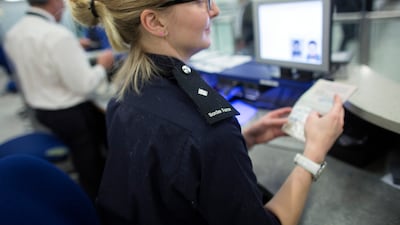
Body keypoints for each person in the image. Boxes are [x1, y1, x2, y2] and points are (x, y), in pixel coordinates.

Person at [68, 0, 344, 224]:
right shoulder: (210, 128)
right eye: (202, 2)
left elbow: (167, 167)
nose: (215, 10)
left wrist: (244, 139)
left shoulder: (124, 94)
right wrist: (314, 152)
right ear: (155, 22)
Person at [4, 0, 115, 201]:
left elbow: (39, 60)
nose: (64, 7)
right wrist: (102, 65)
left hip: (42, 112)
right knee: (92, 167)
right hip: (71, 115)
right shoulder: (58, 36)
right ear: (54, 2)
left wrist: (71, 47)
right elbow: (85, 85)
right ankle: (97, 204)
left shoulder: (14, 33)